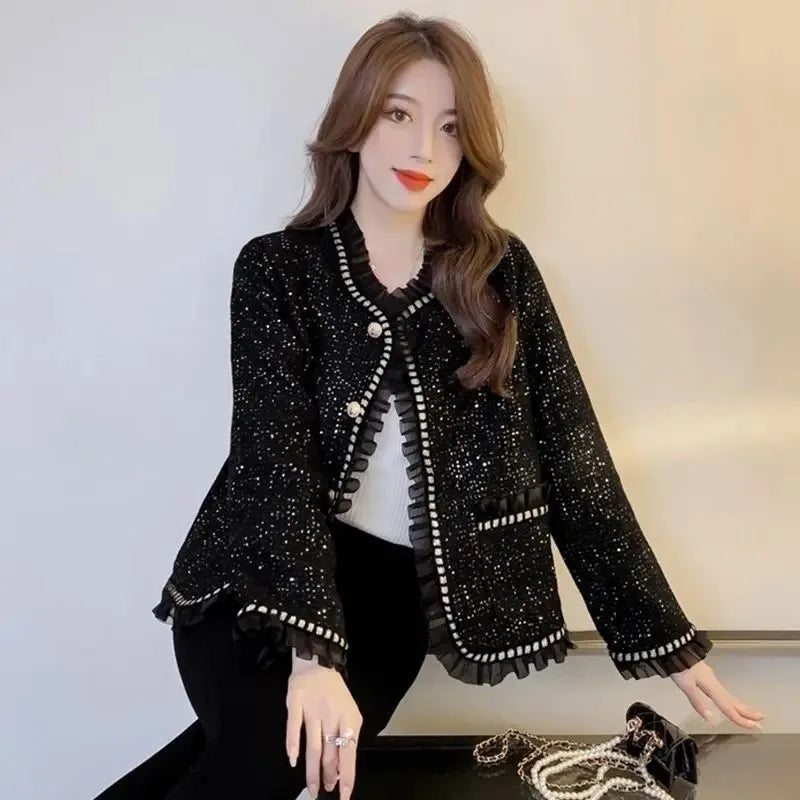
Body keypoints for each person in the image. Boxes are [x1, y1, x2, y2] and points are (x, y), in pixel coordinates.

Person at [93, 11, 764, 800]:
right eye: (398, 115)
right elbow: (273, 465)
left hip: (390, 612)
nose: (423, 151)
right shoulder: (277, 270)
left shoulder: (500, 274)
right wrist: (312, 656)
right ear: (355, 118)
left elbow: (574, 462)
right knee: (256, 770)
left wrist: (667, 642)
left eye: (449, 128)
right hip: (257, 581)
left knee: (231, 768)